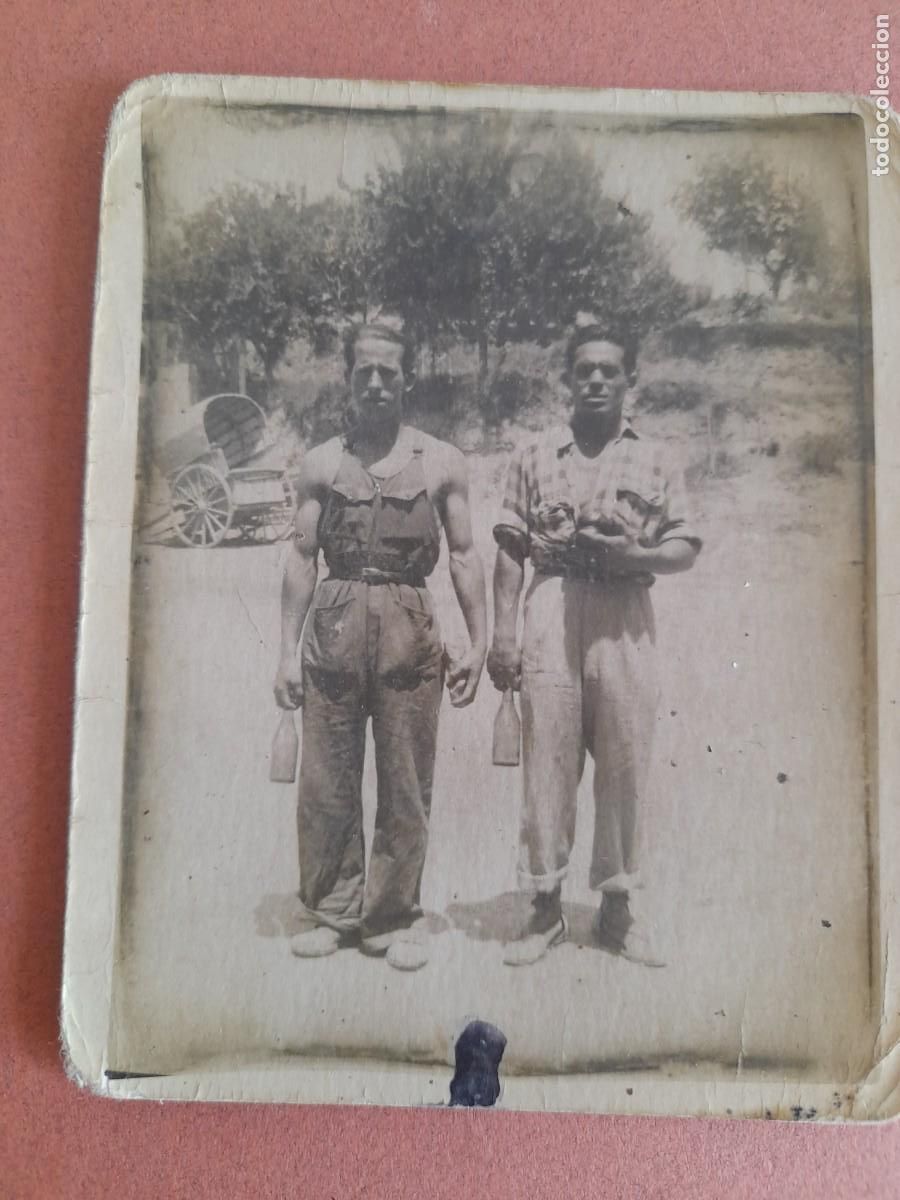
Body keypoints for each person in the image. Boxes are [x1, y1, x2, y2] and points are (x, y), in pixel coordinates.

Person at [487, 316, 701, 968]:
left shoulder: (658, 457)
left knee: (624, 763)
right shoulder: (531, 455)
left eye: (611, 369)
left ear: (630, 378)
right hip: (551, 607)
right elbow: (509, 552)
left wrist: (635, 551)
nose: (598, 379)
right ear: (567, 379)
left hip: (625, 613)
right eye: (585, 370)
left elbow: (685, 545)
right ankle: (544, 908)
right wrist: (503, 634)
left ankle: (617, 911)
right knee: (548, 765)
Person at [274, 318, 486, 972]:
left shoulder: (442, 461)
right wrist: (285, 651)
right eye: (363, 370)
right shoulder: (319, 463)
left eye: (387, 372)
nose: (374, 382)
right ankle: (334, 911)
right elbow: (302, 558)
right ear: (347, 377)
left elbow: (466, 554)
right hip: (335, 627)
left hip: (409, 626)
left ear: (407, 379)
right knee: (328, 777)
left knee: (404, 778)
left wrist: (476, 643)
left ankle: (393, 917)